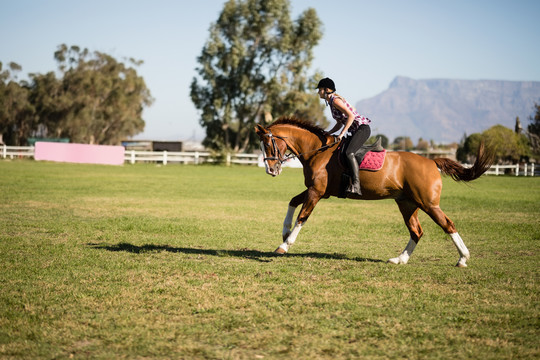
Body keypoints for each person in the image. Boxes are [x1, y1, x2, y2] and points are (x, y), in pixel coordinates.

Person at [316, 77, 371, 195]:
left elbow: (350, 116)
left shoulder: (335, 101)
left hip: (362, 129)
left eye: (319, 89)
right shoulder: (331, 102)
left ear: (326, 90)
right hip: (356, 130)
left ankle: (356, 185)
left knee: (348, 153)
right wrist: (328, 133)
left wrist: (341, 134)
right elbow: (340, 122)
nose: (318, 92)